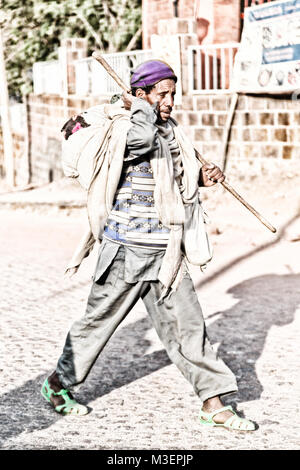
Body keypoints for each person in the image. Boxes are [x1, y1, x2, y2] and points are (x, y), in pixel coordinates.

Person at [41, 60, 255, 432]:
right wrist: (140, 108)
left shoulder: (169, 131)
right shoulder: (124, 128)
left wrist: (202, 178)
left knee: (189, 328)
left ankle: (214, 401)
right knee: (95, 326)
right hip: (124, 251)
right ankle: (58, 385)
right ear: (141, 95)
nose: (171, 101)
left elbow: (176, 178)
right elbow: (140, 142)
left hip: (166, 252)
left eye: (173, 93)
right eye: (163, 94)